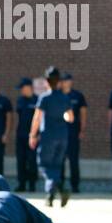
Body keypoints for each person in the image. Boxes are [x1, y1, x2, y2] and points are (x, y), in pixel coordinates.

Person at [29, 67, 73, 207]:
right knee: (56, 165)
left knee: (44, 164)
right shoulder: (65, 98)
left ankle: (55, 191)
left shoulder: (44, 98)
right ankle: (55, 193)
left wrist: (32, 134)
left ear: (47, 81)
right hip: (62, 136)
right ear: (59, 82)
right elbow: (70, 118)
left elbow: (37, 117)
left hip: (48, 136)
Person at [59, 72, 87, 193]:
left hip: (73, 132)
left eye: (68, 80)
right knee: (59, 160)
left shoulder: (78, 96)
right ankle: (60, 185)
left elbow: (83, 114)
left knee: (73, 160)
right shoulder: (57, 95)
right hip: (59, 133)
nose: (66, 83)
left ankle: (75, 185)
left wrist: (82, 130)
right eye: (64, 80)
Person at [14, 78, 38, 192]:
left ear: (28, 87)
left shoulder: (37, 100)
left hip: (33, 137)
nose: (21, 91)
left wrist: (37, 135)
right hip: (21, 135)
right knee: (21, 160)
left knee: (32, 161)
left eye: (22, 88)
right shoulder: (20, 100)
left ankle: (32, 185)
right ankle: (21, 184)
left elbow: (40, 120)